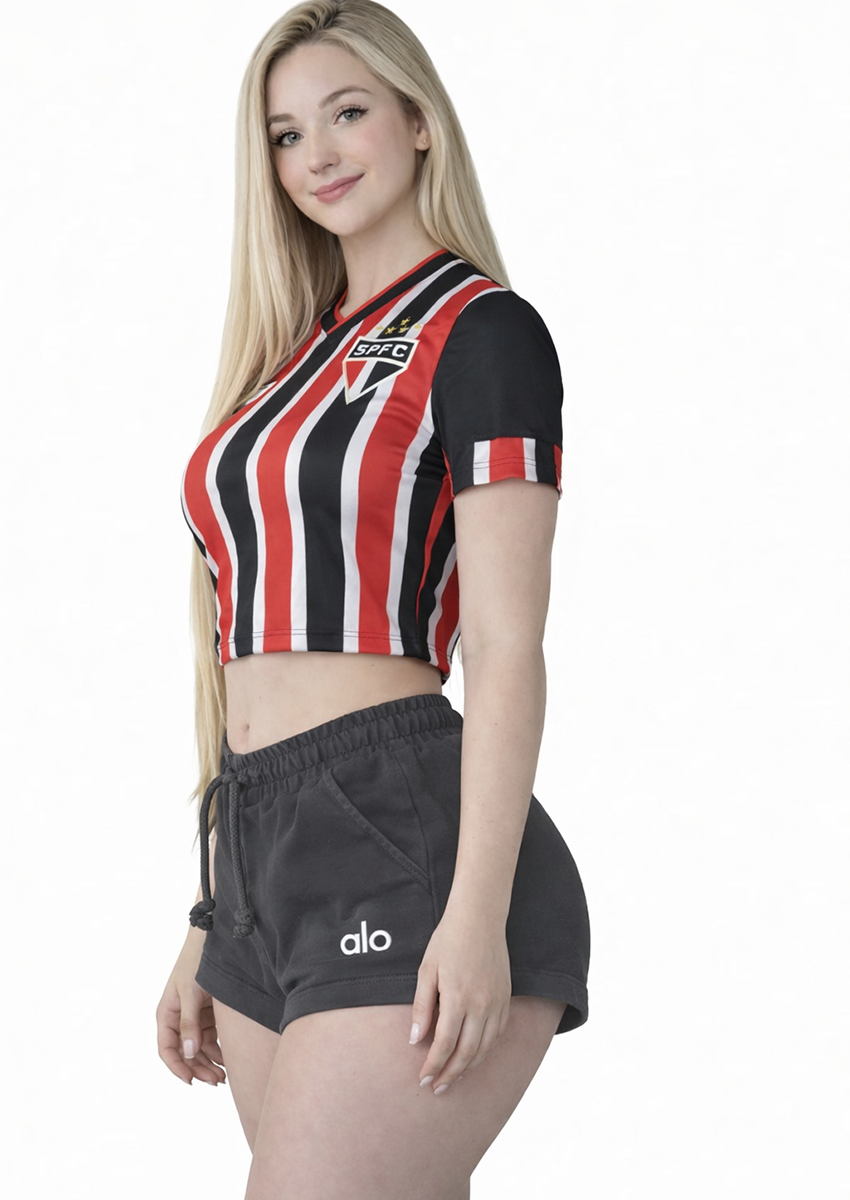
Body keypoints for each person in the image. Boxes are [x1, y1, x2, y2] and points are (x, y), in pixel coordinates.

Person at [155, 2, 591, 1195]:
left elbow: (506, 644)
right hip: (259, 848)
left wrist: (476, 915)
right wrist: (211, 910)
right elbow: (232, 651)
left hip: (405, 829)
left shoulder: (482, 332)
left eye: (347, 112)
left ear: (418, 120)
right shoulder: (279, 363)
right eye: (287, 134)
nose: (320, 155)